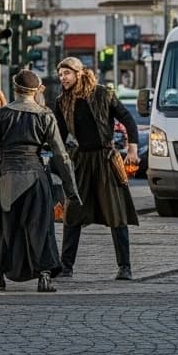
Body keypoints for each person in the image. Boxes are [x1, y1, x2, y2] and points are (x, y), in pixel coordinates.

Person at [0, 71, 80, 292]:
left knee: (3, 228)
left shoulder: (3, 113)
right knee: (41, 227)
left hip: (7, 177)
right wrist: (71, 189)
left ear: (15, 89)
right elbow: (61, 154)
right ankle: (44, 276)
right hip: (36, 176)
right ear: (37, 89)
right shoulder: (45, 114)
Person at [53, 57, 139, 280]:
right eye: (60, 74)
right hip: (81, 159)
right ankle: (66, 266)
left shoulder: (103, 93)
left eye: (66, 74)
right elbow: (59, 136)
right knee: (72, 212)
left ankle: (125, 267)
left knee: (116, 212)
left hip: (105, 158)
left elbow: (128, 120)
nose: (63, 78)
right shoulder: (62, 100)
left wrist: (132, 150)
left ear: (79, 73)